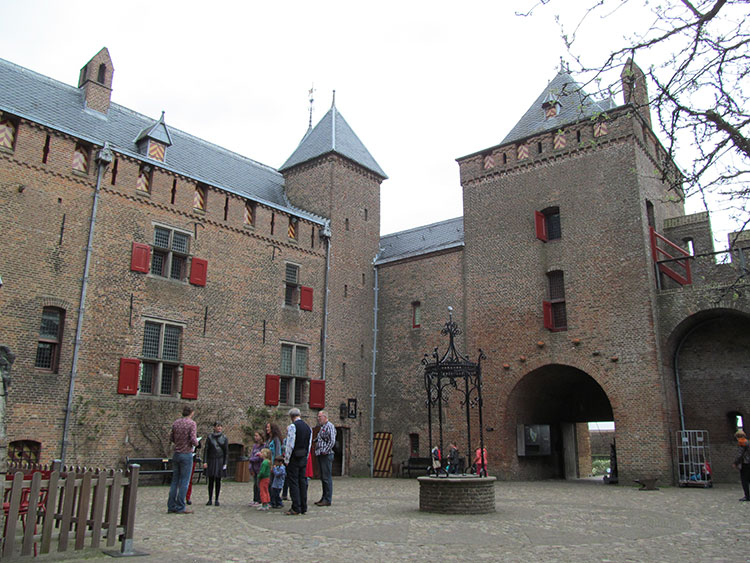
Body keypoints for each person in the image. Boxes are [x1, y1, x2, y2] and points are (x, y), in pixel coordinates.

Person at [167, 405, 199, 514]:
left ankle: (171, 505)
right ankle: (180, 506)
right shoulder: (192, 423)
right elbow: (193, 439)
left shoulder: (176, 423)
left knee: (175, 481)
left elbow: (171, 438)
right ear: (191, 413)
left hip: (176, 453)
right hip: (186, 454)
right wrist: (197, 443)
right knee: (184, 481)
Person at [284, 407, 311, 516]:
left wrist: (287, 459)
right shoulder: (308, 427)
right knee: (302, 482)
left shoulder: (293, 427)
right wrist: (306, 456)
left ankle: (296, 507)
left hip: (294, 458)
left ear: (291, 417)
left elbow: (290, 444)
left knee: (293, 482)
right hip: (303, 457)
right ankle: (303, 506)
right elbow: (309, 445)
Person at [203, 421, 228, 506]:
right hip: (211, 459)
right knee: (211, 480)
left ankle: (217, 499)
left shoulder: (224, 438)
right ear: (214, 428)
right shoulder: (210, 437)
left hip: (220, 460)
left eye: (220, 426)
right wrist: (205, 461)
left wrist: (225, 463)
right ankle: (210, 499)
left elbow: (226, 451)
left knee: (218, 480)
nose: (219, 428)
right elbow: (206, 450)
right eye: (218, 426)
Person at [314, 410, 336, 506]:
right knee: (323, 477)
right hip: (320, 454)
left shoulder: (329, 426)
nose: (318, 418)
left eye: (320, 417)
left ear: (325, 417)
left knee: (326, 477)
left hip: (326, 455)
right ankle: (324, 497)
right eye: (318, 417)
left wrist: (325, 451)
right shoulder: (322, 427)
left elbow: (332, 441)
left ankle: (327, 499)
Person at [732, 429, 750, 501]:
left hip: (745, 463)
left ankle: (747, 496)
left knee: (744, 480)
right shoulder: (748, 442)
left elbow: (740, 454)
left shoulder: (741, 443)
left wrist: (735, 463)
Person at [248, 431, 264, 507]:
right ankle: (255, 499)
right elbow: (252, 455)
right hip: (254, 468)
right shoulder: (255, 446)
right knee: (255, 484)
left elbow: (260, 457)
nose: (255, 437)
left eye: (257, 436)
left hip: (259, 467)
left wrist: (252, 459)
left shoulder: (263, 446)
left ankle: (260, 500)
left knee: (259, 484)